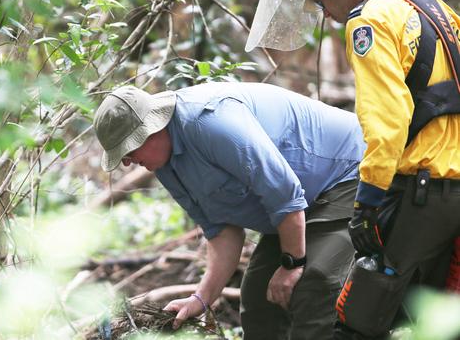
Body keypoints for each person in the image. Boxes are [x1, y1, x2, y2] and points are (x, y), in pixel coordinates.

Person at [246, 0, 460, 338]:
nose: (325, 13)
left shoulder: (370, 20)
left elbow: (387, 124)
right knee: (429, 313)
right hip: (448, 190)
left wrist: (368, 202)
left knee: (357, 319)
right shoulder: (430, 6)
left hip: (421, 191)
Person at [93, 82, 365, 339]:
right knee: (259, 297)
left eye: (128, 151)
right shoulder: (165, 164)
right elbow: (222, 232)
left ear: (153, 128)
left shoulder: (209, 122)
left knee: (312, 284)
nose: (128, 163)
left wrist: (292, 264)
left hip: (348, 173)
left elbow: (285, 194)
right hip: (297, 205)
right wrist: (201, 298)